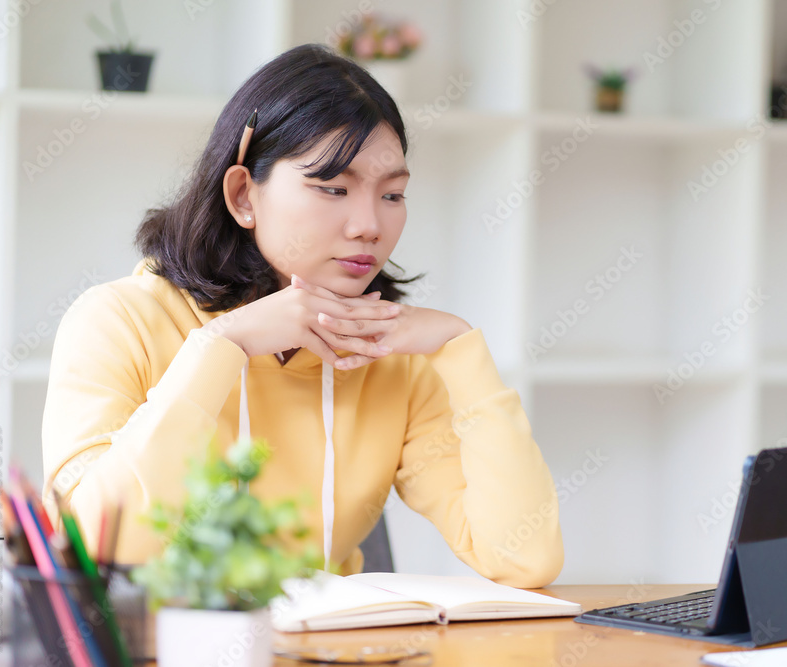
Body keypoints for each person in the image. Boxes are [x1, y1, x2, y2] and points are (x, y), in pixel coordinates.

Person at [41, 44, 563, 588]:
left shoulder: (393, 357)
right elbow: (99, 543)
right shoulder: (115, 321)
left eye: (393, 194)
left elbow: (522, 558)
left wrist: (460, 349)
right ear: (244, 195)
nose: (369, 226)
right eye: (333, 188)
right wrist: (223, 345)